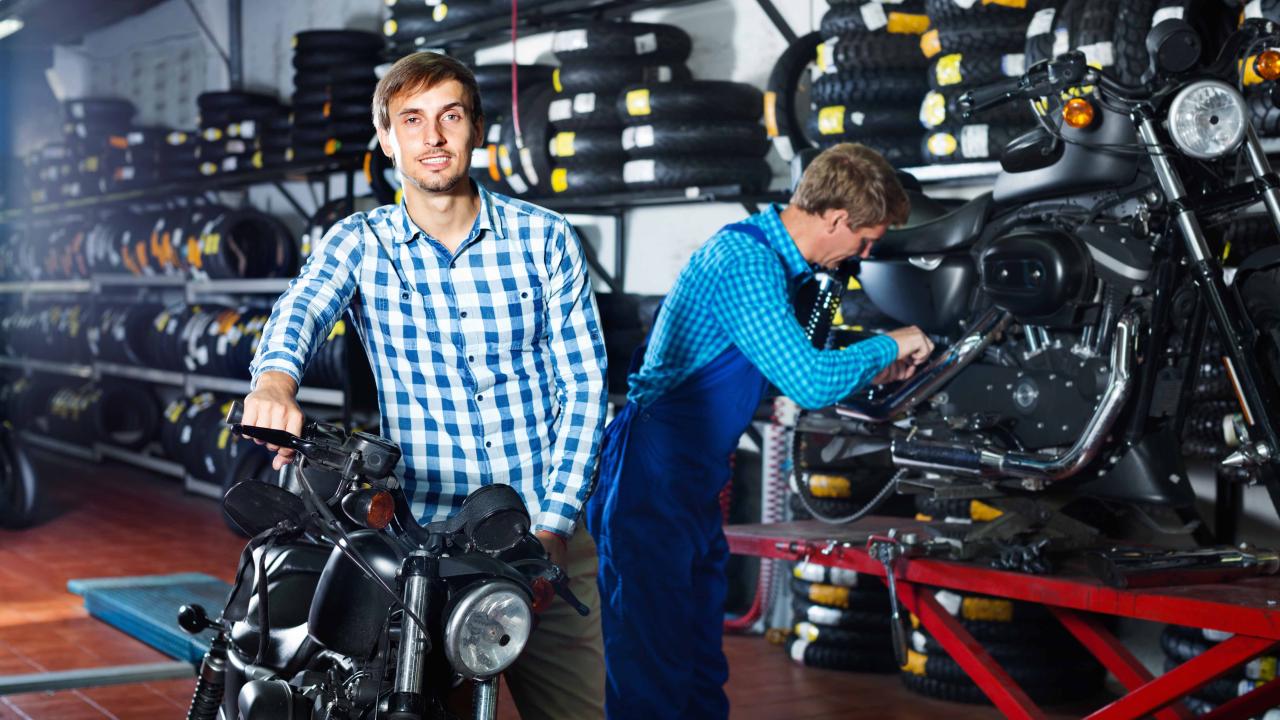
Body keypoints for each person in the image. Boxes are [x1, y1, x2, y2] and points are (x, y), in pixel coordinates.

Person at [243, 52, 608, 720]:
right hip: (421, 542)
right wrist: (274, 380)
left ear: (476, 130)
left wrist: (553, 526)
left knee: (576, 712)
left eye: (450, 116)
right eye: (411, 120)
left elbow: (584, 387)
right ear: (387, 140)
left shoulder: (545, 239)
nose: (433, 137)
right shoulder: (358, 242)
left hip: (541, 529)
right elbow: (300, 308)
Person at [585, 143, 935, 720]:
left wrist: (871, 357)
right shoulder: (744, 262)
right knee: (651, 666)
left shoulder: (784, 270)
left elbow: (790, 359)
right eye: (866, 239)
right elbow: (809, 383)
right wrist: (889, 342)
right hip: (652, 473)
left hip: (691, 478)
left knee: (698, 661)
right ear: (836, 219)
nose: (866, 252)